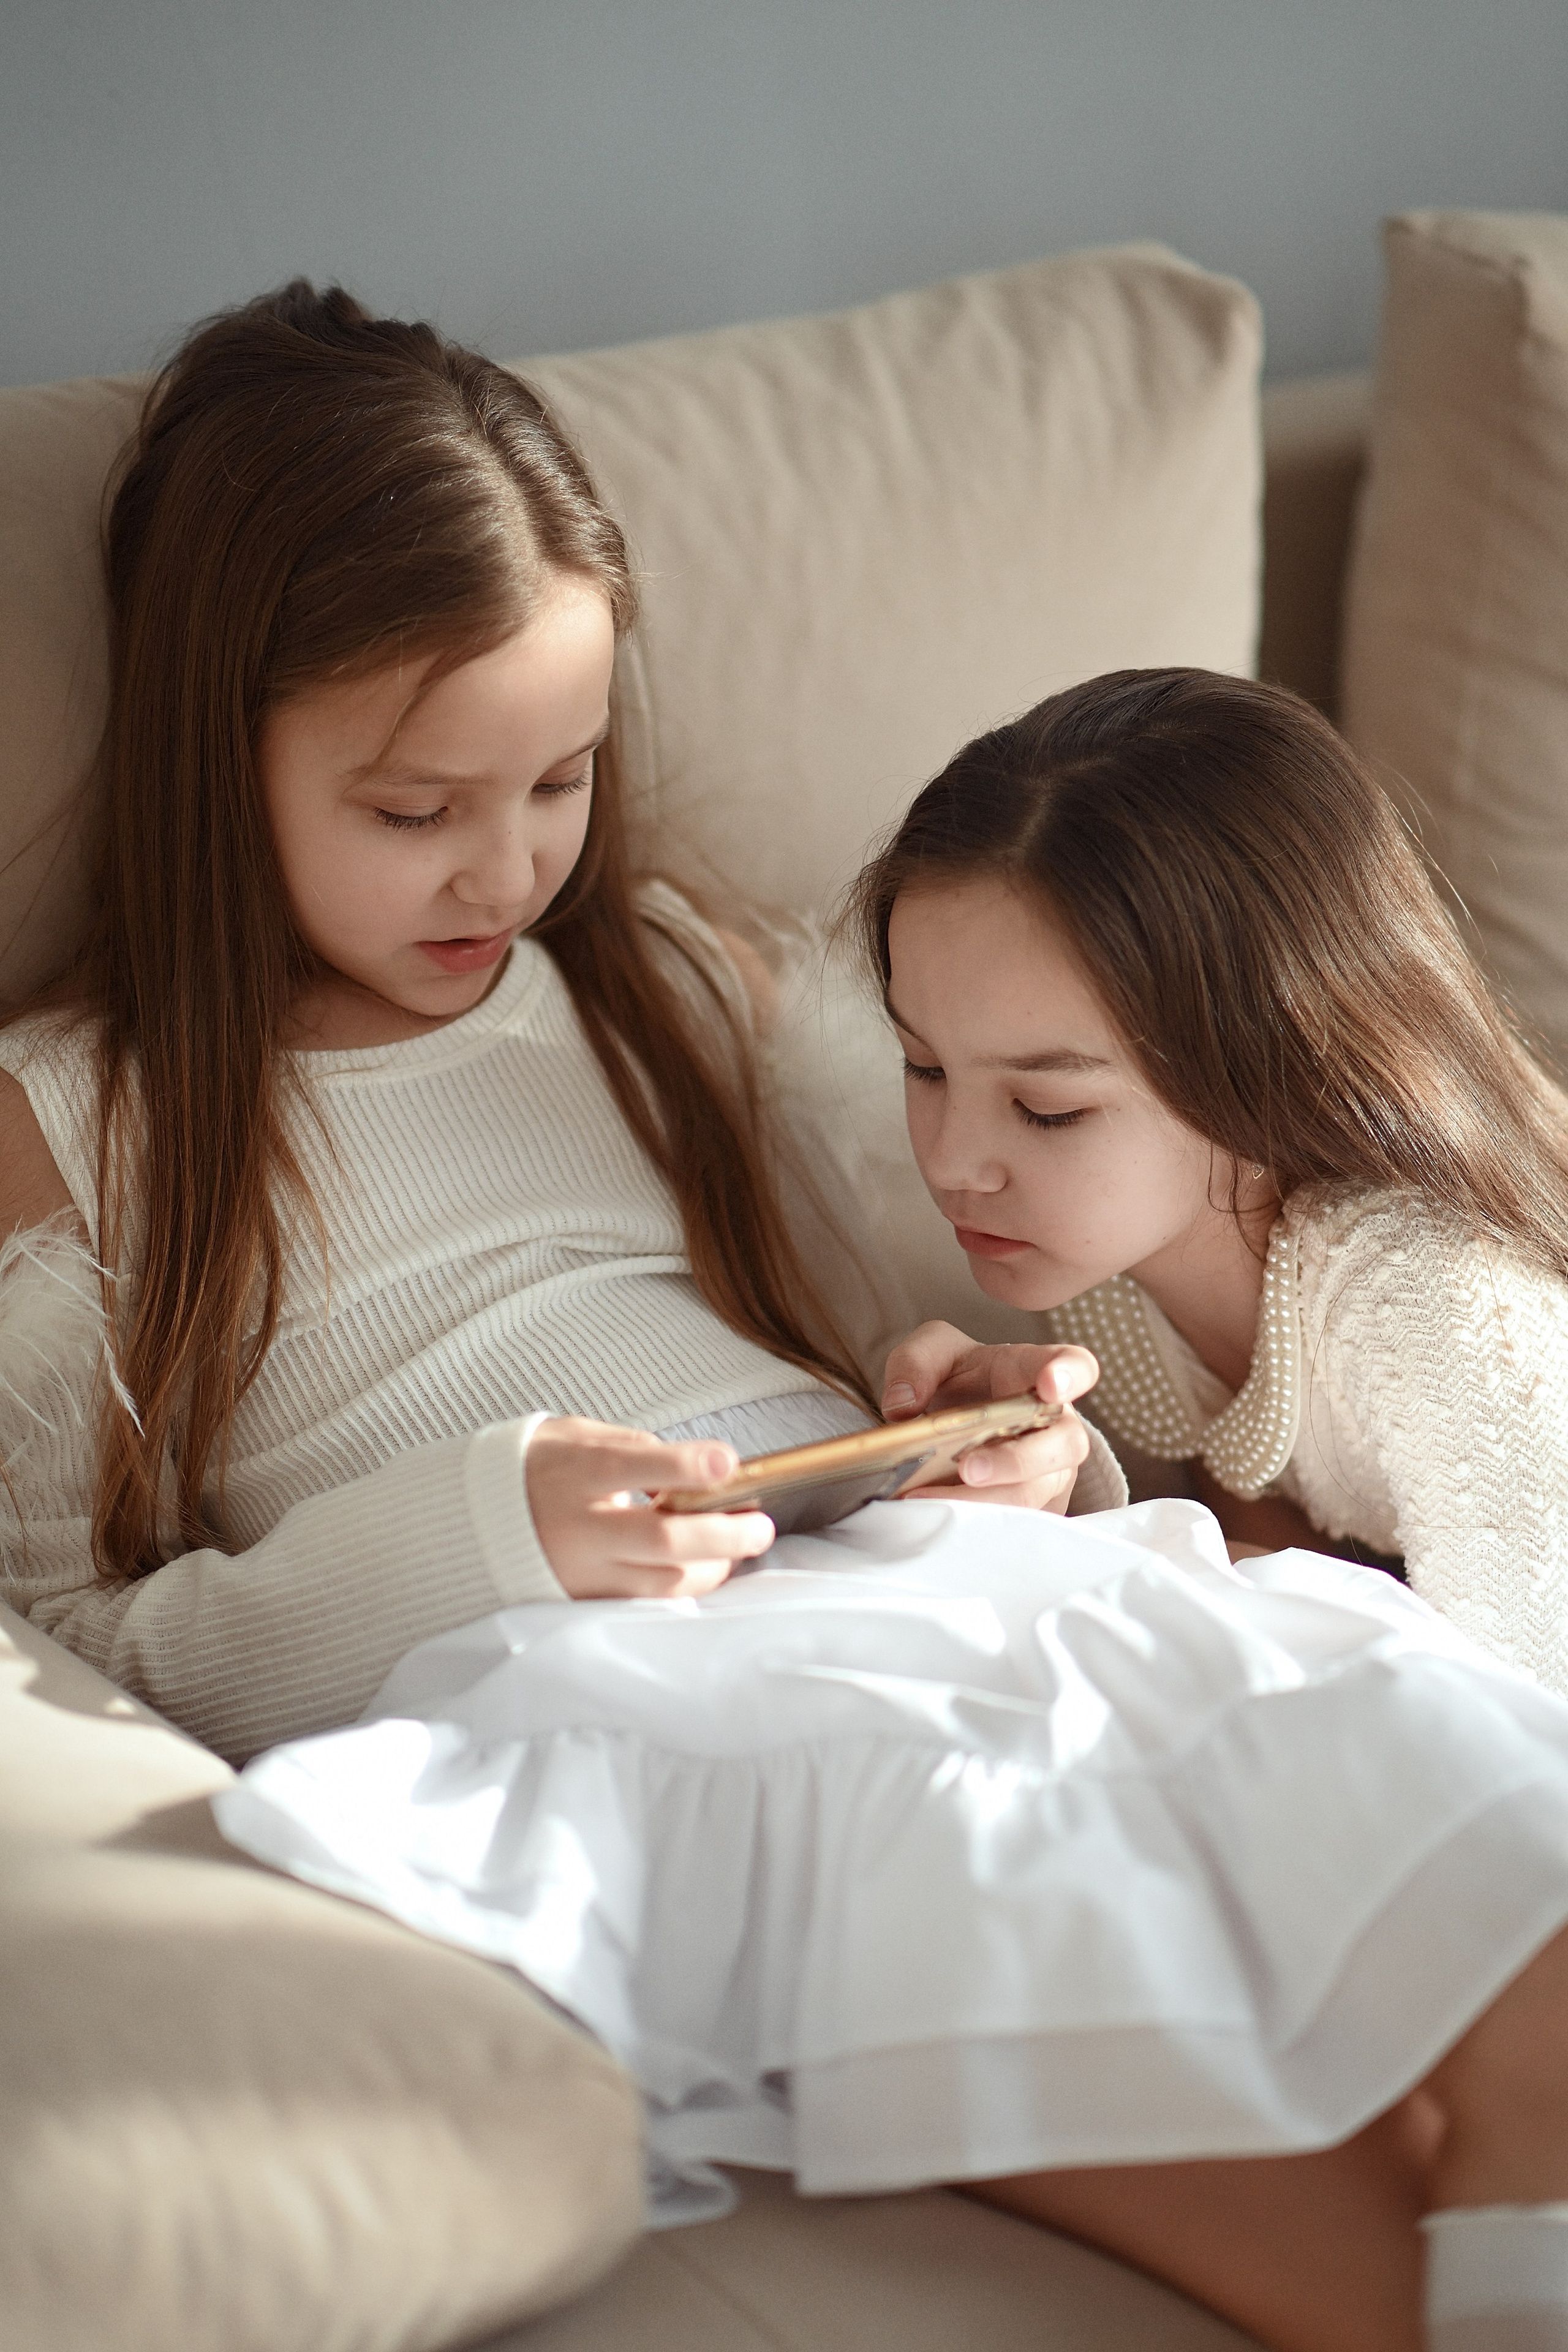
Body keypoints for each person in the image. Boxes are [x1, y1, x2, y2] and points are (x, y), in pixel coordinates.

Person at [1, 287, 1566, 2352]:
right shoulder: (76, 1125)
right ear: (226, 751)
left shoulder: (661, 982)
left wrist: (1023, 1444)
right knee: (1335, 2218)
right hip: (673, 1715)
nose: (509, 866)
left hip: (979, 1596)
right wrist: (492, 1531)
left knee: (1508, 1906)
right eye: (416, 808)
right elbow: (68, 1656)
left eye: (559, 779)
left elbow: (930, 1319)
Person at [851, 669, 1568, 1694]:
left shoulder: (1438, 1310)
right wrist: (1040, 1486)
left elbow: (1519, 1726)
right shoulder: (1111, 1269)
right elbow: (1278, 1565)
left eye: (1048, 1109)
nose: (953, 1162)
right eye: (923, 1067)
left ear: (1265, 1060)